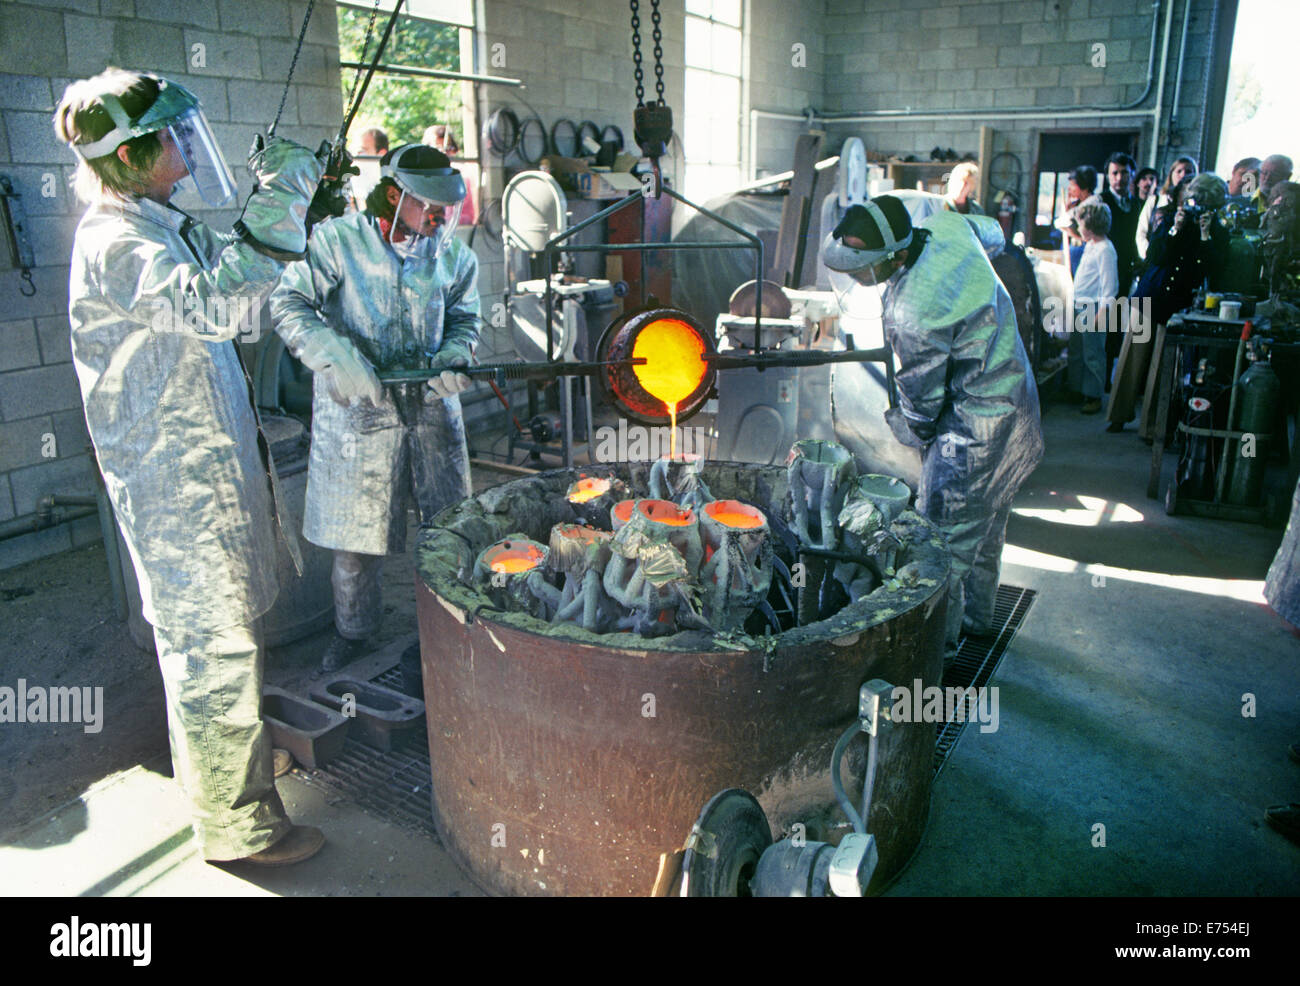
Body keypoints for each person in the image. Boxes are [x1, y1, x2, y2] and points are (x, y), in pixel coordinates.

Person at [56, 68, 326, 865]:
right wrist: (281, 205)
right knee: (211, 645)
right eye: (170, 137)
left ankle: (220, 774)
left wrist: (312, 199)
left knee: (226, 631)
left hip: (204, 466)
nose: (184, 148)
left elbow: (246, 276)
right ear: (133, 154)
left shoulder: (159, 220)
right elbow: (217, 304)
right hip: (173, 483)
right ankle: (239, 828)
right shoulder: (117, 242)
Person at [270, 144, 480, 688]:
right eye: (429, 208)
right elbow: (289, 304)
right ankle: (353, 632)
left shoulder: (453, 256)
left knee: (448, 530)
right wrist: (336, 357)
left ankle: (452, 628)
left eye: (446, 210)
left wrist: (456, 356)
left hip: (432, 412)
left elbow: (464, 318)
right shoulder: (339, 243)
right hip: (359, 416)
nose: (438, 220)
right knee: (355, 542)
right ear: (394, 195)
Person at [823, 196, 1044, 652]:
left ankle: (934, 657)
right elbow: (997, 236)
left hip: (973, 431)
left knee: (940, 550)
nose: (858, 279)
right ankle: (980, 621)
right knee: (987, 526)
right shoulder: (947, 226)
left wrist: (903, 428)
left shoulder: (912, 311)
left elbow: (922, 406)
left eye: (862, 271)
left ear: (898, 256)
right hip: (1018, 401)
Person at [1107, 173, 1228, 436]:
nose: (1198, 205)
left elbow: (1211, 269)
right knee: (1131, 361)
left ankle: (1153, 427)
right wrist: (1174, 228)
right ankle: (1118, 415)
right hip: (1150, 296)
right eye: (1195, 197)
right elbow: (1154, 255)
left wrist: (1206, 235)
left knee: (1164, 369)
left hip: (1179, 304)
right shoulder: (1170, 216)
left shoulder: (1218, 230)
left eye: (1206, 201)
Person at [1068, 198, 1118, 415]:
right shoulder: (1091, 245)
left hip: (1095, 308)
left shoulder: (1105, 250)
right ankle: (1077, 389)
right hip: (1080, 304)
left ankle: (1094, 394)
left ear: (1092, 226)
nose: (1079, 228)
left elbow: (1110, 286)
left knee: (1093, 353)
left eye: (1081, 224)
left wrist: (1103, 312)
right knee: (1077, 350)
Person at [1136, 156, 1197, 259]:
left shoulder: (1195, 204)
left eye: (1188, 171)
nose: (1183, 175)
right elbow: (1141, 232)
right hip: (1154, 256)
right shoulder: (1155, 200)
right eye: (1179, 171)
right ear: (1171, 174)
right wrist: (1148, 254)